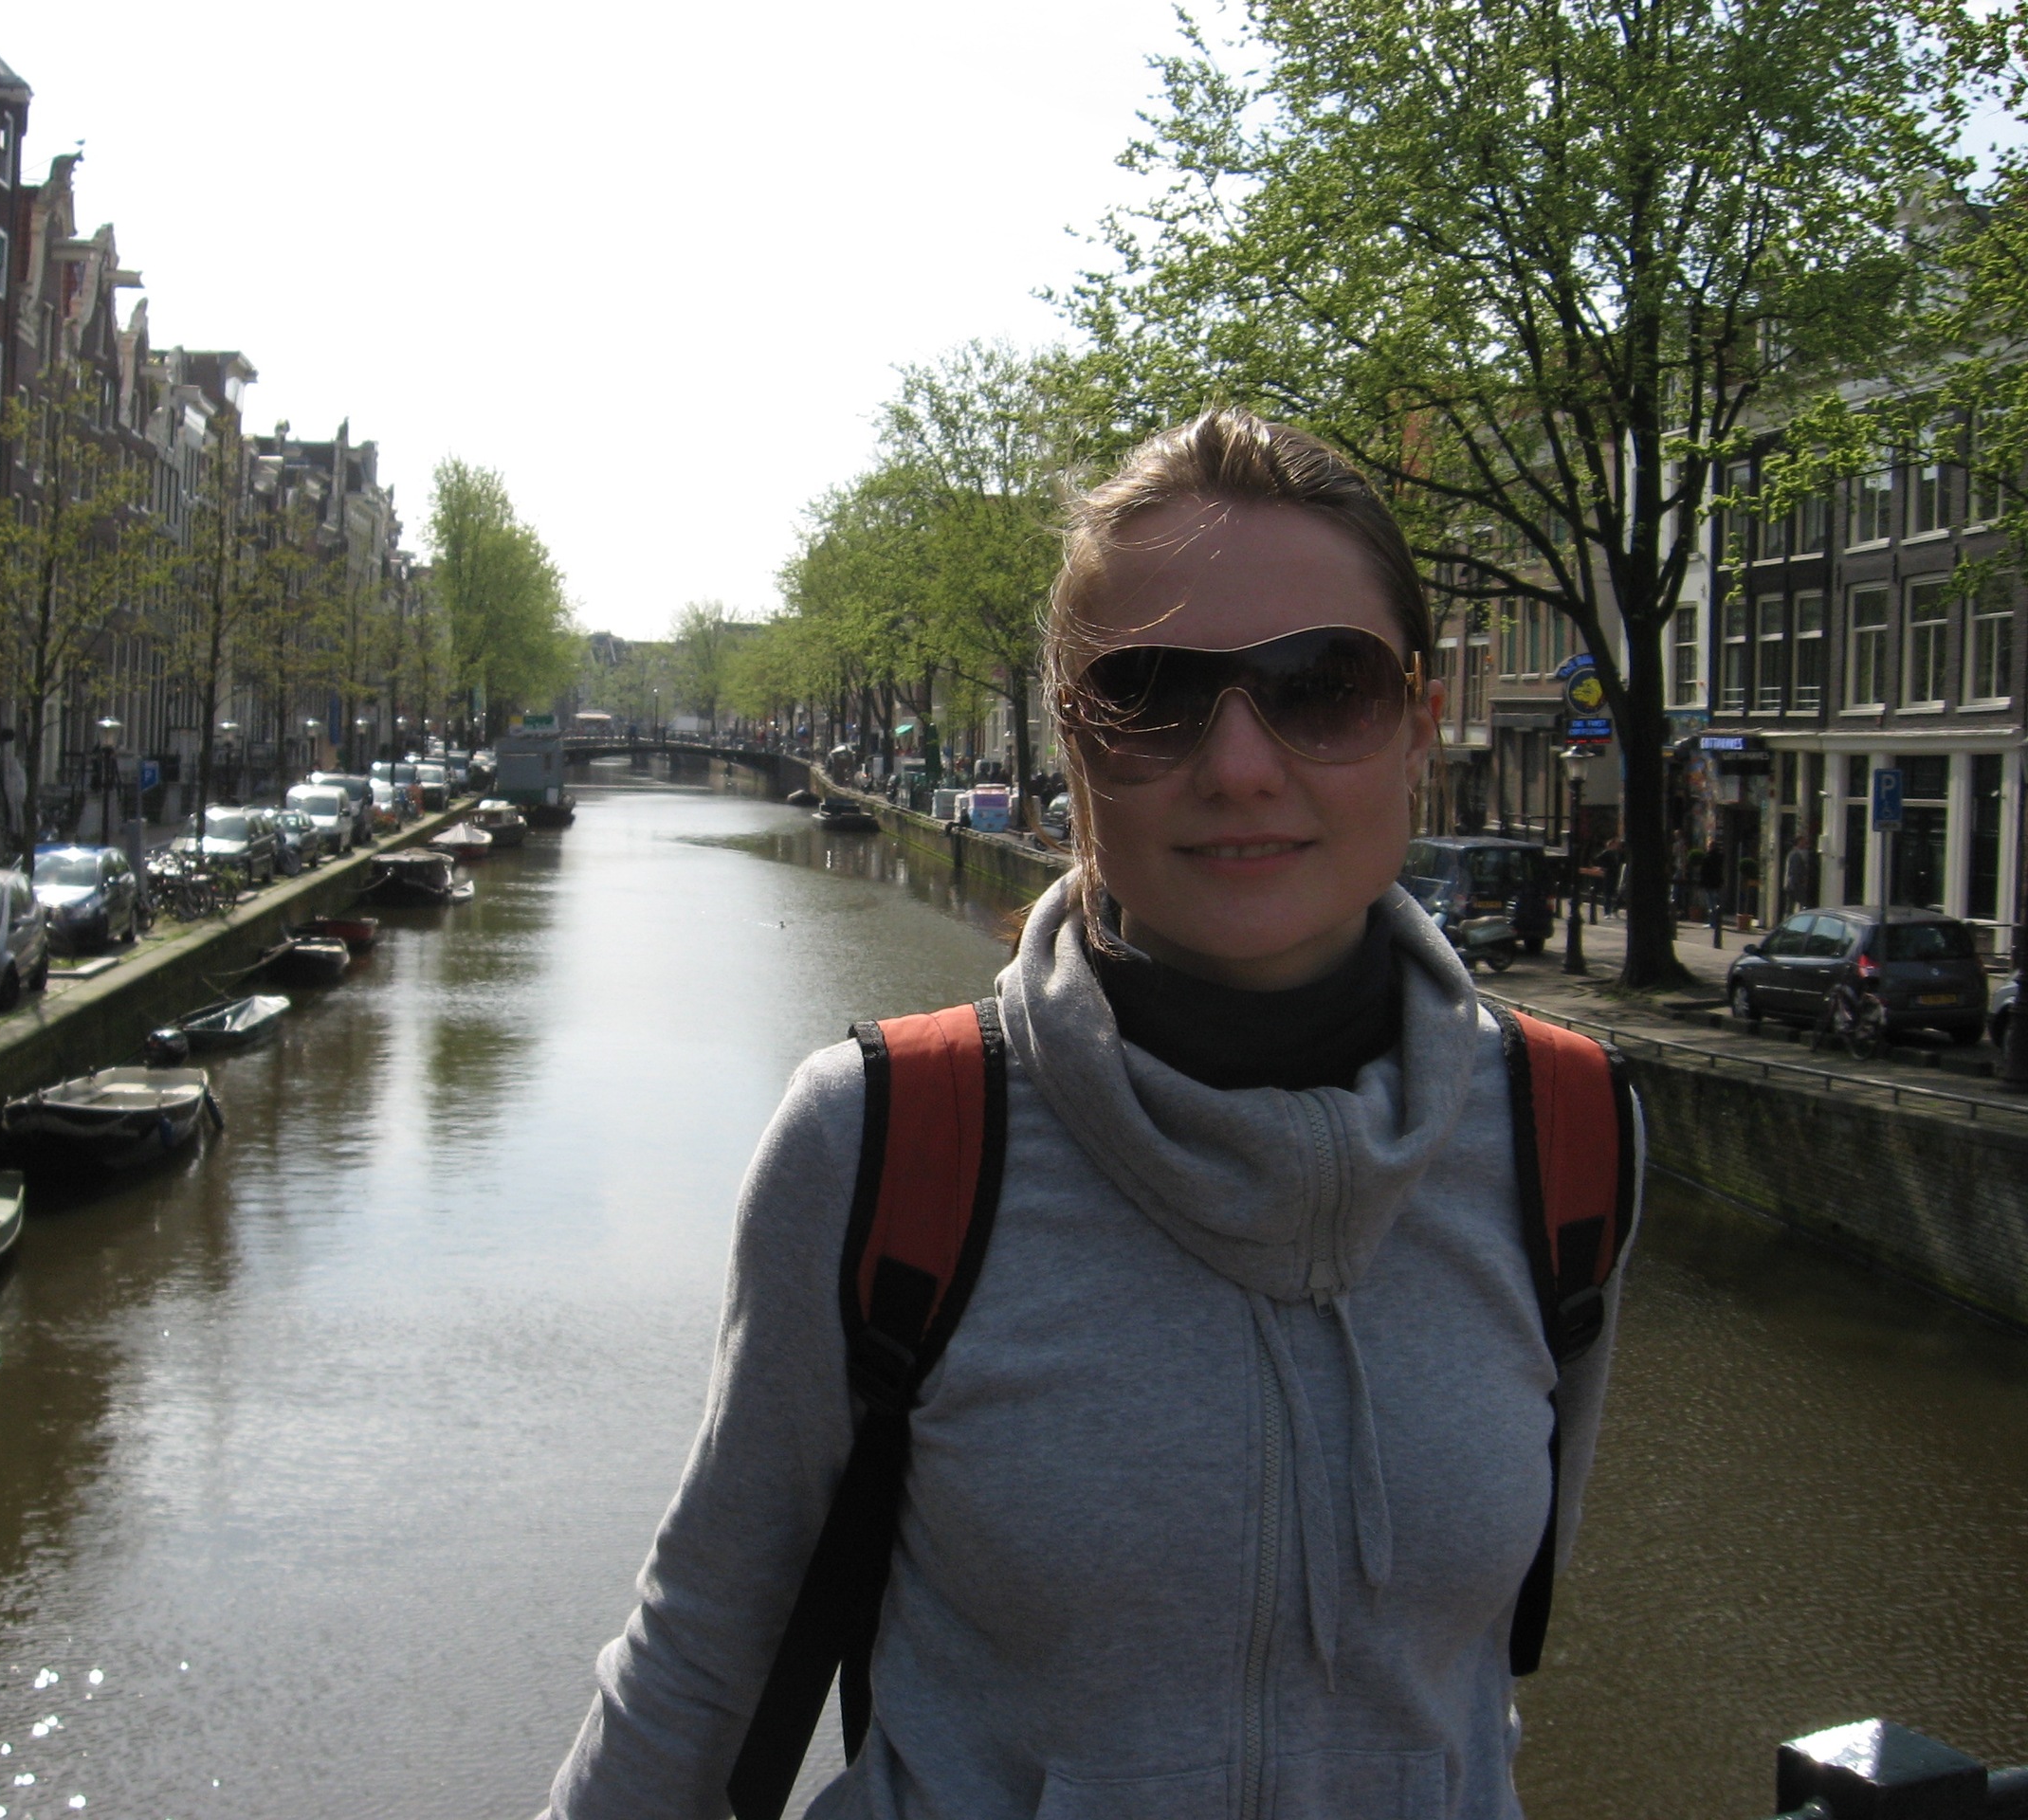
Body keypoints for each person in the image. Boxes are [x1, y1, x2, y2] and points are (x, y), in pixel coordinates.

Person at [541, 409, 1639, 1820]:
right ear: (1072, 740)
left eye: (1321, 687)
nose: (1238, 766)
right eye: (1154, 697)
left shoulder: (1570, 1139)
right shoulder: (885, 1148)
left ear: (1417, 723)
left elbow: (1473, 1666)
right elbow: (703, 1657)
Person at [1783, 830, 1817, 913]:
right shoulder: (1795, 855)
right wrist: (1797, 884)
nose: (1805, 844)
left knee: (1790, 906)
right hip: (1795, 885)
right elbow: (1794, 871)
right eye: (1803, 842)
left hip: (1791, 884)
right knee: (1802, 904)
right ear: (1799, 842)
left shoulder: (1793, 853)